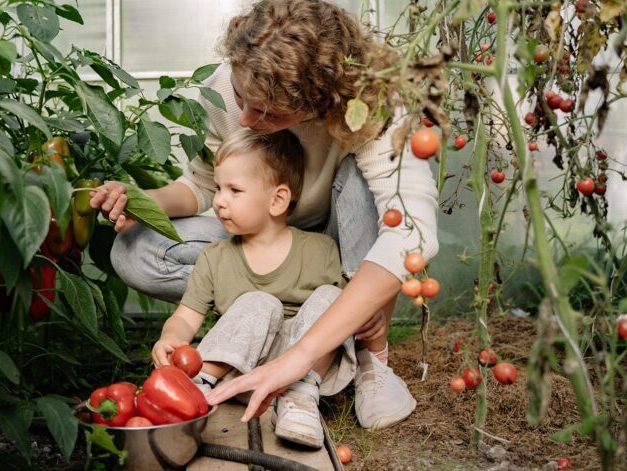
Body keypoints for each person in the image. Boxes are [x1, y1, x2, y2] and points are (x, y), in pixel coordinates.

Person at [90, 0, 439, 429]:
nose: (246, 119)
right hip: (258, 232)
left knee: (370, 193)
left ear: (318, 103)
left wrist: (301, 357)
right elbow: (202, 184)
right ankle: (262, 325)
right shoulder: (224, 88)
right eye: (242, 99)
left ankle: (366, 356)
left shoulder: (374, 103)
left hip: (338, 245)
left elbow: (412, 231)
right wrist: (141, 201)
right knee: (135, 250)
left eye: (269, 112)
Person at [152, 129, 353, 449]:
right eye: (218, 188)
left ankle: (299, 400)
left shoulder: (320, 251)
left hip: (302, 370)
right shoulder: (215, 258)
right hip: (237, 369)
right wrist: (170, 339)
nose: (218, 201)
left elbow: (346, 321)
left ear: (277, 200)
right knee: (261, 302)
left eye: (234, 190)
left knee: (334, 299)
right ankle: (201, 386)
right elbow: (186, 318)